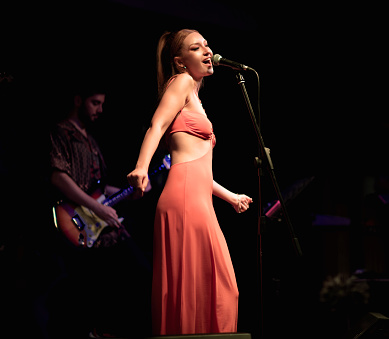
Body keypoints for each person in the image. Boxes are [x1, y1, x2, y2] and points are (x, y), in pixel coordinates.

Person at [127, 29, 253, 336]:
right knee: (205, 292)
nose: (207, 51)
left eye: (207, 46)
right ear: (181, 63)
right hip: (184, 200)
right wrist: (141, 167)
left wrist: (231, 197)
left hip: (197, 199)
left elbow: (199, 170)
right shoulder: (181, 83)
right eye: (196, 48)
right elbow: (157, 124)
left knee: (214, 292)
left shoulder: (195, 97)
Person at [48, 80, 151, 338]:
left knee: (135, 276)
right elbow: (59, 177)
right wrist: (99, 208)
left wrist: (130, 193)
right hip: (76, 219)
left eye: (103, 104)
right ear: (78, 100)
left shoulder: (91, 139)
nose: (100, 110)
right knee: (94, 288)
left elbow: (100, 187)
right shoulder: (61, 132)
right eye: (95, 103)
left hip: (99, 221)